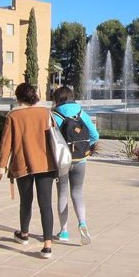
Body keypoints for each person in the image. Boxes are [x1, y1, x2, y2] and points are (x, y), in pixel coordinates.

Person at [0, 83, 56, 259]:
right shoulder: (45, 113)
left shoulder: (14, 115)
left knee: (26, 201)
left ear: (18, 97)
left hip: (23, 164)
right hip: (46, 163)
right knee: (46, 204)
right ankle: (47, 245)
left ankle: (24, 234)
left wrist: (0, 167)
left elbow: (6, 144)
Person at [51, 86, 99, 245]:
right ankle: (82, 223)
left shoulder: (54, 114)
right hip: (80, 160)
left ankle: (64, 231)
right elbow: (95, 135)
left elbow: (51, 139)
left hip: (63, 161)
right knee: (78, 192)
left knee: (62, 194)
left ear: (57, 98)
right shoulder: (80, 112)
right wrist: (85, 149)